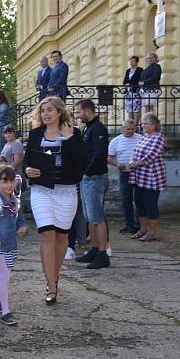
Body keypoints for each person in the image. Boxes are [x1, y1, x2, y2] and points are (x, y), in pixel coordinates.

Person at [24, 97, 86, 304]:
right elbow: (27, 161)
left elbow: (82, 161)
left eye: (50, 110)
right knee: (46, 234)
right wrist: (27, 170)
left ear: (59, 112)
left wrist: (70, 139)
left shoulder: (73, 133)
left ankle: (54, 275)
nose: (46, 114)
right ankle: (51, 286)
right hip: (41, 190)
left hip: (66, 191)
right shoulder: (34, 134)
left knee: (61, 238)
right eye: (43, 111)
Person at [0, 166, 27, 325]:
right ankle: (6, 312)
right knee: (5, 275)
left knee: (5, 273)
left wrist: (22, 227)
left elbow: (20, 219)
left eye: (11, 181)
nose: (9, 185)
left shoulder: (16, 200)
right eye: (4, 181)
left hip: (11, 244)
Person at [73, 99, 111, 269]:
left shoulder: (99, 128)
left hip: (94, 178)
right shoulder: (88, 127)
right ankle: (95, 249)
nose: (78, 115)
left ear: (88, 111)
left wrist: (88, 173)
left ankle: (103, 253)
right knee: (89, 217)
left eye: (79, 112)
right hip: (86, 178)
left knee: (97, 217)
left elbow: (100, 154)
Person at [129, 113, 166, 242]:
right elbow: (135, 152)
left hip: (152, 177)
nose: (143, 126)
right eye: (143, 123)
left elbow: (151, 156)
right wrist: (132, 160)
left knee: (150, 204)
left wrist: (136, 164)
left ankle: (152, 232)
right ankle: (143, 229)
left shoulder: (158, 137)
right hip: (140, 177)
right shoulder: (144, 137)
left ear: (155, 125)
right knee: (140, 203)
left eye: (146, 123)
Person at [107, 119, 142, 234]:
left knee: (139, 199)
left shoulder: (141, 139)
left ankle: (139, 225)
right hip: (124, 173)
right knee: (126, 200)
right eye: (127, 128)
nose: (130, 131)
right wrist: (118, 164)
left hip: (139, 172)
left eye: (132, 129)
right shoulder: (116, 141)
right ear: (122, 128)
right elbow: (109, 157)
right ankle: (130, 225)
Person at [122, 56, 144, 128]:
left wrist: (131, 84)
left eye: (133, 61)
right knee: (130, 110)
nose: (131, 63)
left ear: (137, 62)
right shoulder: (128, 71)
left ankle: (135, 126)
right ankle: (130, 126)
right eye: (130, 61)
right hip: (128, 93)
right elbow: (124, 81)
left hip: (136, 92)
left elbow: (140, 80)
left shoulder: (140, 70)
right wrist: (126, 84)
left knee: (136, 109)